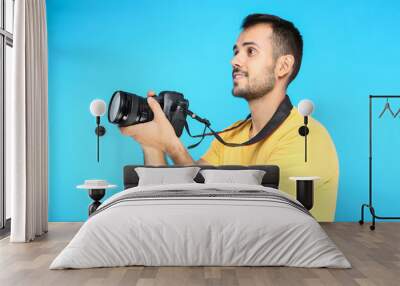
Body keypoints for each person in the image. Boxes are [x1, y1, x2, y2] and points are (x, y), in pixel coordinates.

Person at [119, 14, 339, 222]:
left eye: (250, 51)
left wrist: (173, 146)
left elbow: (253, 219)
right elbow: (186, 188)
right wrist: (153, 144)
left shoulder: (305, 137)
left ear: (283, 66)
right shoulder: (234, 134)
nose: (235, 60)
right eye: (236, 51)